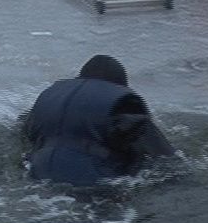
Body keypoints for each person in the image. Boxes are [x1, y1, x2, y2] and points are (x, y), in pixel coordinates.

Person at [22, 54, 176, 187]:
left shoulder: (50, 97)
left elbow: (25, 134)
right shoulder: (121, 104)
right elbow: (166, 158)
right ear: (119, 85)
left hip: (38, 173)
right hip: (92, 183)